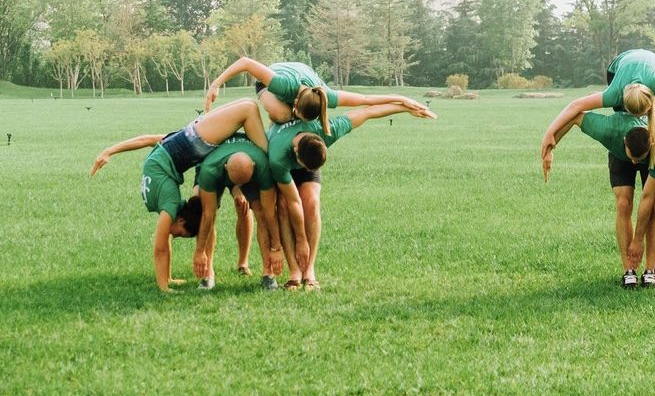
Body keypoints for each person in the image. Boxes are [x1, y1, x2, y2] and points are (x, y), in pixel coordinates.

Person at [89, 99, 271, 292]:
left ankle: (270, 159)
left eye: (180, 233)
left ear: (181, 219)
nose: (175, 235)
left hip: (200, 140)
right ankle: (208, 273)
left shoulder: (170, 192)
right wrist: (110, 151)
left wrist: (110, 151)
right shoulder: (170, 186)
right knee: (207, 209)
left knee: (248, 108)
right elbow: (147, 140)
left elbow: (146, 140)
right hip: (201, 149)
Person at [267, 103, 437, 291]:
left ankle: (309, 271)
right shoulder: (278, 156)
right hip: (285, 164)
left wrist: (406, 108)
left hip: (308, 154)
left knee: (312, 202)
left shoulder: (326, 130)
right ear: (297, 154)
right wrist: (301, 240)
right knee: (283, 205)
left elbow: (367, 111)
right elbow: (293, 202)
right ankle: (294, 272)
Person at [542, 109, 655, 289]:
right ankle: (629, 271)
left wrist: (638, 240)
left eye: (638, 159)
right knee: (623, 203)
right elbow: (576, 116)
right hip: (618, 152)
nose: (634, 162)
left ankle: (650, 270)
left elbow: (647, 197)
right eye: (631, 157)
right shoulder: (608, 130)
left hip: (651, 157)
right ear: (625, 142)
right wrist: (550, 148)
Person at [541, 49, 655, 175]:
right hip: (619, 67)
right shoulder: (614, 95)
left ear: (650, 105)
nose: (638, 119)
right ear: (623, 104)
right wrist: (549, 133)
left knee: (646, 124)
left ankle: (643, 150)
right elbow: (575, 106)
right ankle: (629, 148)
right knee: (621, 119)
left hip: (653, 62)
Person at [204, 57, 431, 129]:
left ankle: (290, 120)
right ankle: (284, 119)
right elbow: (245, 62)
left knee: (290, 119)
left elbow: (366, 100)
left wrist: (404, 101)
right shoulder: (282, 85)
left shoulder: (326, 96)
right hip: (273, 79)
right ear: (294, 102)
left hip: (303, 77)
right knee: (281, 116)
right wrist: (215, 85)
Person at [193, 133, 283, 290]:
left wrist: (276, 248)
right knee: (205, 212)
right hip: (217, 161)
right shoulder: (210, 169)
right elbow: (207, 214)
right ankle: (208, 273)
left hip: (247, 167)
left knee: (261, 211)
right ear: (226, 168)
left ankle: (268, 274)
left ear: (254, 166)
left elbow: (269, 213)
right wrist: (199, 251)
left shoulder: (262, 165)